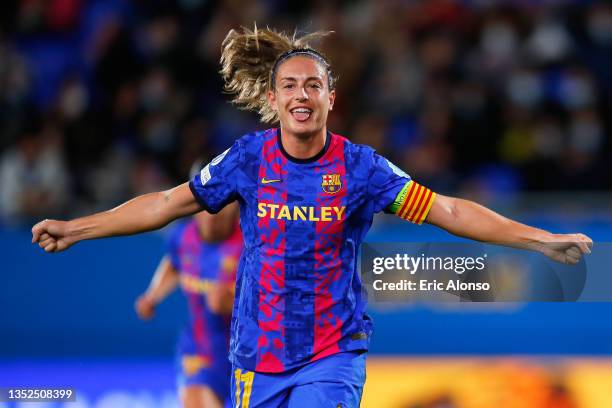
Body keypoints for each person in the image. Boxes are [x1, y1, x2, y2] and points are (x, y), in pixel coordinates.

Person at [32, 26, 592, 408]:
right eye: (291, 86)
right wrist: (77, 228)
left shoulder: (361, 168)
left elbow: (447, 210)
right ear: (273, 100)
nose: (302, 95)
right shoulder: (247, 160)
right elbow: (164, 204)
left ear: (330, 98)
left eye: (313, 86)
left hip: (331, 353)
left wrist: (541, 240)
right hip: (255, 357)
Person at [135, 201, 241, 408]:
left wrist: (230, 302)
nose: (213, 212)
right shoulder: (182, 237)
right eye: (206, 203)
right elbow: (174, 262)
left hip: (249, 354)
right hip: (199, 350)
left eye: (224, 203)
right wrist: (152, 295)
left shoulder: (251, 240)